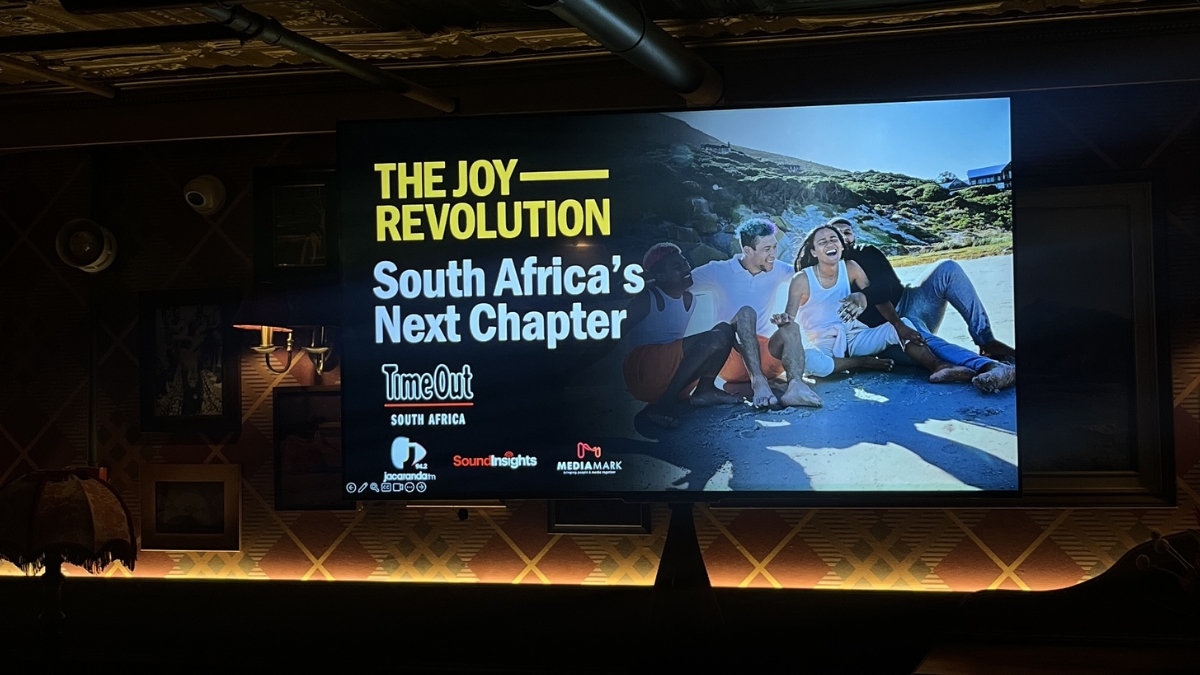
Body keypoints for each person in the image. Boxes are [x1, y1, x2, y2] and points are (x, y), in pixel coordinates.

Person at [828, 217, 1016, 393]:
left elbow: (885, 286)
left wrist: (864, 295)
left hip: (911, 302)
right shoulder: (827, 272)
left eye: (848, 232)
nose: (844, 237)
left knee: (947, 268)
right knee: (911, 333)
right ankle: (988, 366)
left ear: (854, 236)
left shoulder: (868, 252)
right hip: (884, 330)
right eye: (838, 234)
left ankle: (986, 341)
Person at [777, 224, 978, 384]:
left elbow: (877, 298)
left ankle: (939, 367)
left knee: (904, 325)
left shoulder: (851, 267)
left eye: (833, 239)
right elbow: (790, 320)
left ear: (841, 245)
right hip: (823, 342)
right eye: (822, 242)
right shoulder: (802, 279)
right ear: (814, 252)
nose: (830, 243)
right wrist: (782, 321)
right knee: (812, 362)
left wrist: (898, 325)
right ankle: (862, 363)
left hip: (855, 335)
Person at [689, 219, 822, 408]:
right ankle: (758, 383)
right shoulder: (719, 270)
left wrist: (857, 291)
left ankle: (796, 387)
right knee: (746, 313)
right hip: (732, 360)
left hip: (767, 357)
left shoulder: (778, 269)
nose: (773, 254)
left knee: (790, 326)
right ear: (748, 250)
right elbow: (676, 282)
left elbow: (812, 279)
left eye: (774, 247)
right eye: (767, 249)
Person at [622, 243, 742, 428]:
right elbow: (612, 334)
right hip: (644, 373)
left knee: (725, 330)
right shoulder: (647, 298)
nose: (686, 268)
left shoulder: (689, 298)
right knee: (716, 337)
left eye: (685, 263)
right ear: (661, 276)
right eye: (677, 266)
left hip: (669, 374)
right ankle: (662, 406)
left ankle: (705, 389)